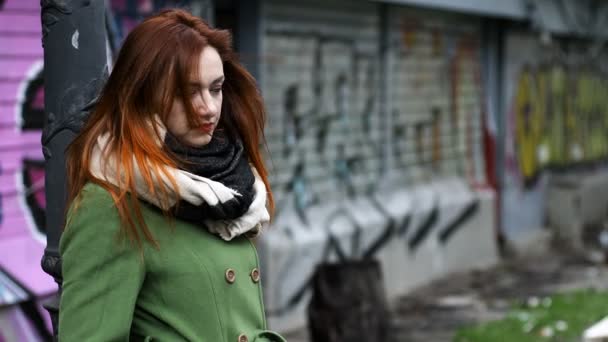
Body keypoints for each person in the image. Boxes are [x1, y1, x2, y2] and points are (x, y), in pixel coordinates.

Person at [58, 9, 286, 342]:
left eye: (216, 88)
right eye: (187, 92)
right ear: (143, 94)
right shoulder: (111, 205)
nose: (208, 108)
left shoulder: (228, 187)